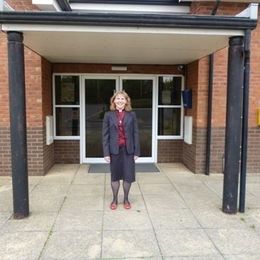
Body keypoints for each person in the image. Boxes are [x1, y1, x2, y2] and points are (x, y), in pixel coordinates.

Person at [102, 90, 140, 210]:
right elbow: (105, 135)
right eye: (117, 98)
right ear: (114, 101)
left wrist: (137, 152)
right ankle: (114, 199)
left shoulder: (132, 115)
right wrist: (106, 153)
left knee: (128, 176)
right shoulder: (108, 115)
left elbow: (136, 133)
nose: (120, 101)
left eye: (122, 99)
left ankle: (126, 199)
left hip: (128, 150)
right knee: (115, 176)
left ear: (126, 101)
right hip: (114, 150)